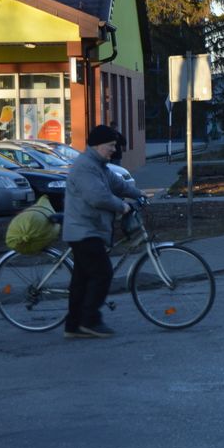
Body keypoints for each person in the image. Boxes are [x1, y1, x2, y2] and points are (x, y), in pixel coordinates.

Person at [62, 124, 144, 339]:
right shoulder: (85, 167)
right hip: (84, 230)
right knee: (102, 273)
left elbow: (118, 185)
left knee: (82, 280)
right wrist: (122, 206)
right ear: (97, 145)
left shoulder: (99, 166)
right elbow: (97, 197)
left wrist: (139, 195)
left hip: (89, 229)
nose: (113, 150)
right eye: (110, 145)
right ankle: (90, 321)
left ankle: (74, 326)